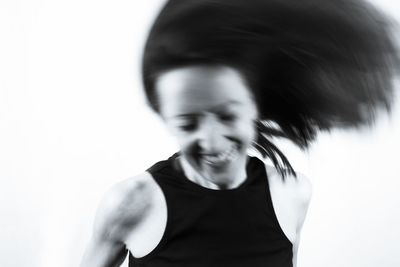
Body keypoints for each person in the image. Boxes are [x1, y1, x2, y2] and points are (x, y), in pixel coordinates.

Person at [80, 0, 399, 266]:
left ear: (255, 105)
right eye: (188, 123)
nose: (212, 142)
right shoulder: (129, 204)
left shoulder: (293, 194)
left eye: (227, 115)